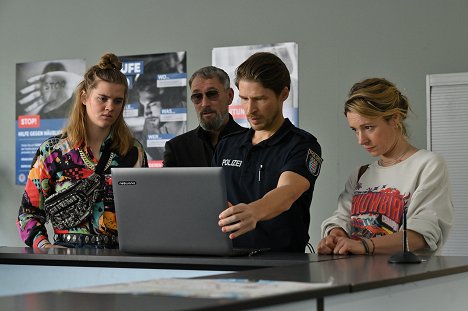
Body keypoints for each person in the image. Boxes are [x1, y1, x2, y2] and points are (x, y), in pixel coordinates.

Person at [16, 53, 148, 249]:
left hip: (121, 257)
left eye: (118, 101)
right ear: (84, 97)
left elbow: (145, 210)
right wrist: (44, 246)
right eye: (102, 98)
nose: (110, 107)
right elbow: (28, 213)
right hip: (67, 258)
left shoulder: (133, 151)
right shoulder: (52, 151)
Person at [317, 78, 453, 255]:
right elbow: (341, 218)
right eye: (355, 130)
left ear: (394, 118)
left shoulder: (427, 165)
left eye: (369, 127)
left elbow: (422, 234)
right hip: (360, 278)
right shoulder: (360, 175)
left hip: (408, 279)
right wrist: (335, 235)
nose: (361, 140)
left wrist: (365, 246)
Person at [213, 52, 322, 252]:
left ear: (284, 94)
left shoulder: (303, 145)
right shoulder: (227, 145)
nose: (250, 109)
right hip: (228, 260)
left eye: (260, 99)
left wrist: (254, 211)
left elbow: (287, 192)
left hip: (283, 264)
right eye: (244, 99)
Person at [163, 66, 246, 167]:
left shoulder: (251, 142)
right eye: (197, 96)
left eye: (212, 94)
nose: (204, 104)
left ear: (230, 96)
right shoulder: (176, 148)